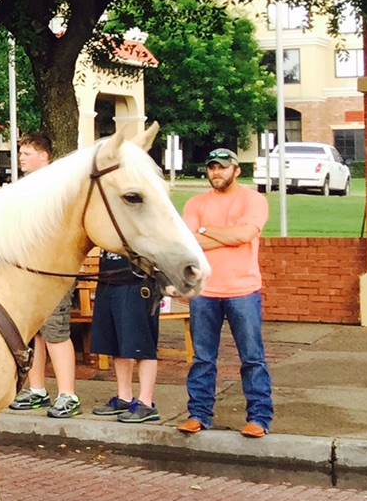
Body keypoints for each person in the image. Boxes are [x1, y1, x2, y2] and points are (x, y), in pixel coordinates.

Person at [181, 148, 274, 437]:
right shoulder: (195, 203)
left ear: (236, 170)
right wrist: (227, 234)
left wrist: (207, 230)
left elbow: (245, 235)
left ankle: (259, 418)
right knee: (202, 359)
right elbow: (189, 243)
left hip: (242, 290)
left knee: (252, 357)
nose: (216, 173)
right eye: (211, 168)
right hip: (204, 291)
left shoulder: (253, 199)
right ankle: (198, 414)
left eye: (222, 167)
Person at [8, 133, 83, 419]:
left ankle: (68, 394)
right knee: (34, 333)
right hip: (29, 271)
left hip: (54, 271)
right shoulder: (25, 186)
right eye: (21, 153)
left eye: (28, 152)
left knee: (55, 332)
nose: (22, 157)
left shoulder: (57, 187)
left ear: (44, 155)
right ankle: (37, 389)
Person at [89, 248, 163, 424]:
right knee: (117, 343)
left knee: (143, 343)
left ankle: (146, 402)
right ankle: (124, 397)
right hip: (109, 279)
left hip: (137, 281)